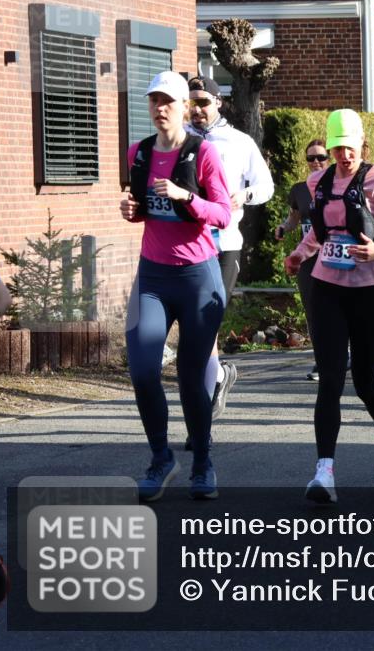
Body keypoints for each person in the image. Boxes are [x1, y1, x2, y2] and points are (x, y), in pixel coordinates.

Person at [284, 109, 374, 504]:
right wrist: (298, 254)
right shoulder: (317, 182)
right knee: (329, 379)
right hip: (327, 286)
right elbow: (321, 235)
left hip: (370, 290)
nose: (343, 155)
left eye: (350, 148)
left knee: (363, 381)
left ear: (362, 145)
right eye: (337, 147)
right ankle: (324, 472)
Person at [120, 71, 233, 501]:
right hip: (153, 275)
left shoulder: (202, 152)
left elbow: (223, 213)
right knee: (143, 370)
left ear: (184, 106)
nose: (159, 107)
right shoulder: (139, 153)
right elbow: (140, 211)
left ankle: (203, 463)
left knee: (190, 378)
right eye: (154, 100)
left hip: (197, 277)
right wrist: (130, 208)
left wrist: (188, 199)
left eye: (168, 100)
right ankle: (160, 458)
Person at [186, 76, 275, 422]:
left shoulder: (238, 142)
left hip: (225, 243)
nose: (197, 110)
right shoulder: (179, 140)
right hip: (188, 244)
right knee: (196, 324)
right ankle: (214, 382)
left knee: (207, 320)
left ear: (218, 102)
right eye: (192, 103)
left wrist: (245, 195)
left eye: (204, 102)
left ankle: (208, 398)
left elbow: (265, 184)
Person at [275, 139, 330, 380]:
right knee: (312, 308)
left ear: (330, 157)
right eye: (311, 158)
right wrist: (283, 228)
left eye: (321, 156)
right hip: (307, 257)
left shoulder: (337, 185)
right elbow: (294, 219)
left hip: (332, 255)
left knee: (335, 307)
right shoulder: (299, 189)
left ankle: (342, 352)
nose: (316, 162)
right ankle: (322, 361)